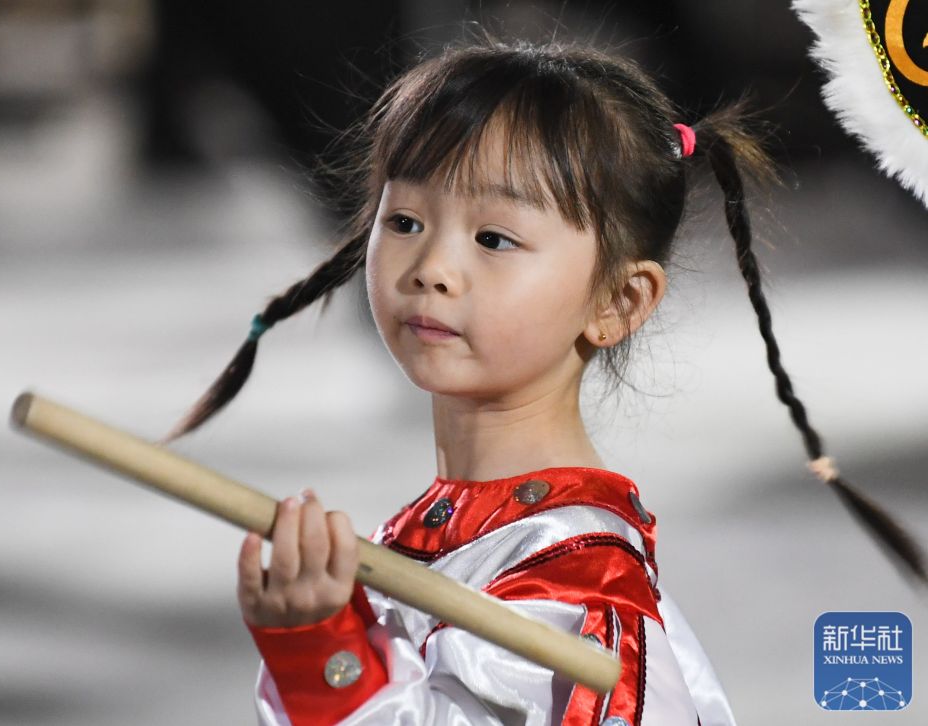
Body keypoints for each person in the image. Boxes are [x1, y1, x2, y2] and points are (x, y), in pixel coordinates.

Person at [162, 35, 925, 726]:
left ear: (618, 302)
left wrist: (325, 659)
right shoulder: (471, 533)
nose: (432, 268)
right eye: (405, 222)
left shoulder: (572, 583)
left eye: (495, 238)